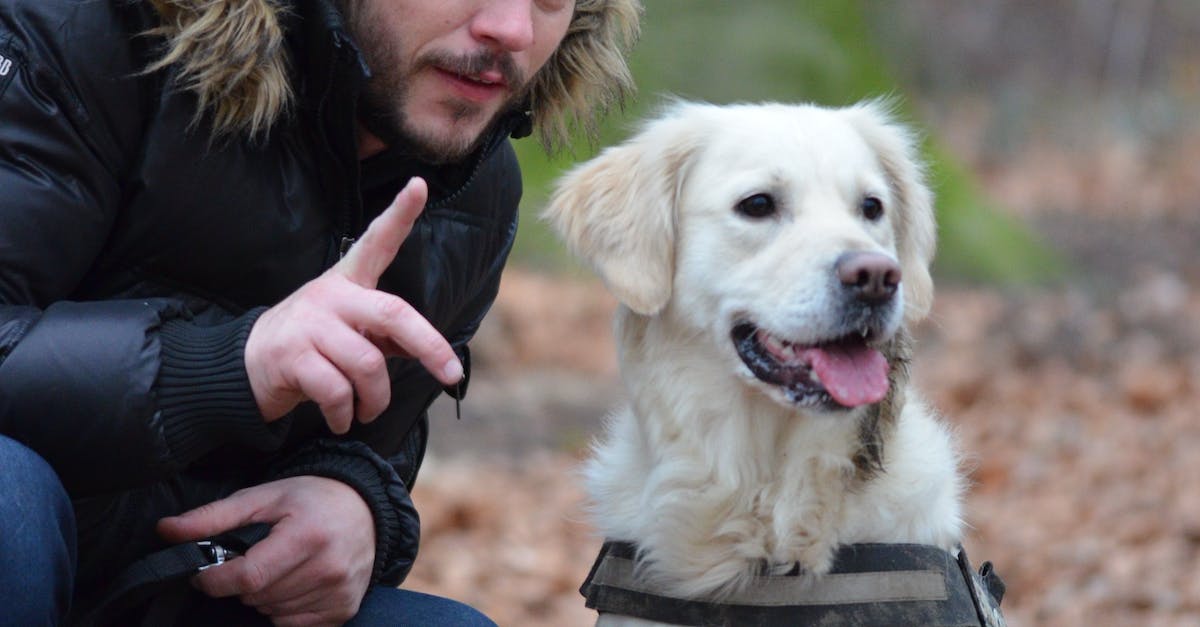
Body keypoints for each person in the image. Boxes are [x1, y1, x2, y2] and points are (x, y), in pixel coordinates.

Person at [0, 0, 640, 624]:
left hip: (187, 584)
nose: (510, 28)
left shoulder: (476, 181)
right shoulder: (83, 27)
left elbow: (378, 438)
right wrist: (233, 365)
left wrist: (356, 501)